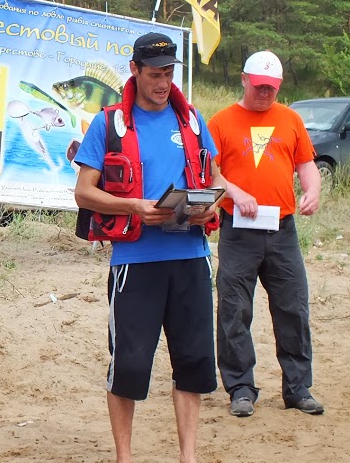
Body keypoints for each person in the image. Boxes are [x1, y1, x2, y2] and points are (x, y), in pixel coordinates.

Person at [74, 32, 223, 463]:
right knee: (130, 366)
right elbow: (84, 192)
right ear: (135, 70)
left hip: (191, 258)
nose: (163, 82)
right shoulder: (108, 124)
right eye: (155, 74)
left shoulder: (192, 120)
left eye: (169, 73)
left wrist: (210, 205)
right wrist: (134, 206)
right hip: (135, 262)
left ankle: (188, 456)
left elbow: (217, 177)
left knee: (193, 362)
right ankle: (125, 456)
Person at [208, 50, 323, 417]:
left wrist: (312, 190)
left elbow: (306, 163)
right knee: (234, 309)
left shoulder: (290, 119)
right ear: (244, 79)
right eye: (258, 86)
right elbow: (210, 173)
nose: (264, 93)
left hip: (282, 229)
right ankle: (241, 388)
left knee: (293, 307)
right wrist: (235, 192)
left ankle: (298, 388)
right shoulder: (221, 122)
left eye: (270, 88)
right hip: (238, 230)